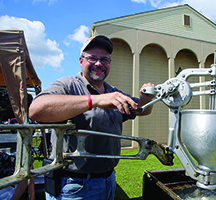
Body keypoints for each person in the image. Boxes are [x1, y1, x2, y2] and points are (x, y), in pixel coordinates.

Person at [29, 35, 155, 200]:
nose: (99, 63)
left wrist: (146, 98)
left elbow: (141, 110)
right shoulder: (67, 85)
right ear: (81, 61)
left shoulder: (113, 92)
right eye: (92, 58)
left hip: (108, 179)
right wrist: (94, 100)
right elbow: (36, 110)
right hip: (74, 185)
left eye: (104, 60)